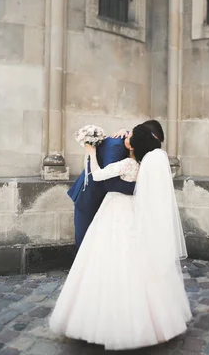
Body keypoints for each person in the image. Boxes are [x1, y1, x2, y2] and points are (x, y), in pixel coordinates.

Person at [50, 125, 191, 351]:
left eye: (131, 135)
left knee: (105, 259)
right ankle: (153, 320)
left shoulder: (126, 163)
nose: (127, 135)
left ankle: (102, 321)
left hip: (114, 211)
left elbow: (97, 176)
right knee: (133, 260)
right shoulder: (144, 166)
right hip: (132, 213)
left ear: (133, 145)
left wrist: (90, 152)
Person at [67, 120, 164, 248]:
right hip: (91, 195)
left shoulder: (134, 139)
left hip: (109, 198)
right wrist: (139, 188)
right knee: (85, 238)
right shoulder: (116, 147)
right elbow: (109, 183)